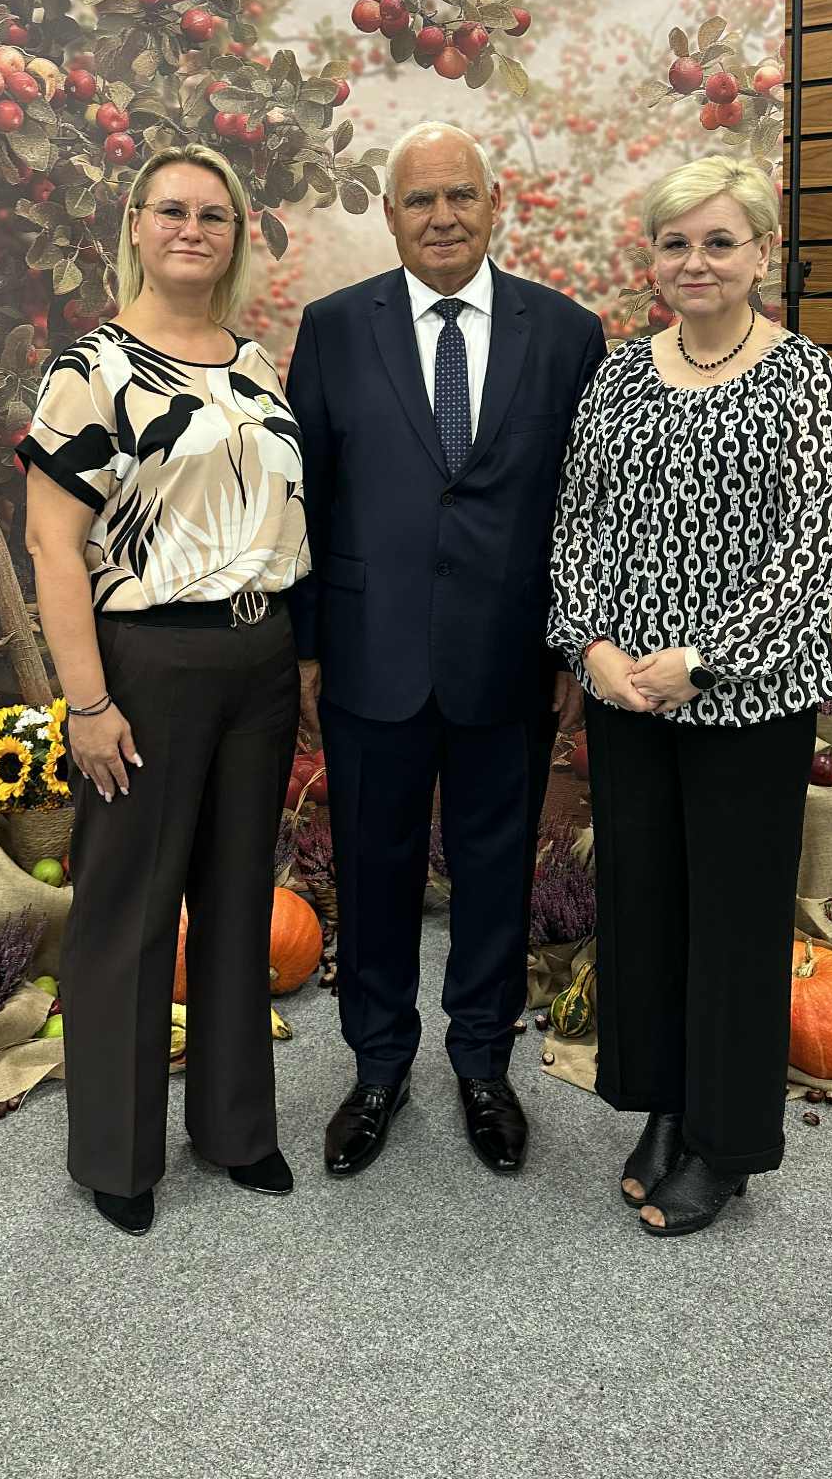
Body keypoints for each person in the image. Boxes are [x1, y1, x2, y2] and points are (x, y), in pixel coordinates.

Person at [287, 122, 606, 1178]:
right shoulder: (335, 327)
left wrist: (572, 646)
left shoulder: (567, 333)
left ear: (495, 202)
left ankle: (483, 1065)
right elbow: (307, 496)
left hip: (508, 657)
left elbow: (585, 509)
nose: (442, 217)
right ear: (389, 214)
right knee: (372, 869)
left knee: (495, 871)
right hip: (368, 649)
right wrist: (306, 645)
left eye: (460, 195)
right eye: (419, 199)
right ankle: (377, 1065)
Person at [547, 157, 832, 1238]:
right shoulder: (620, 376)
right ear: (654, 257)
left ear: (762, 253)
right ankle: (666, 1106)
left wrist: (704, 659)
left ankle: (724, 1143)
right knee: (646, 910)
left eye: (720, 241)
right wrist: (592, 645)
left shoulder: (803, 376)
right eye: (676, 242)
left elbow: (814, 547)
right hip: (628, 699)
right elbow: (578, 519)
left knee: (732, 922)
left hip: (747, 704)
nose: (697, 262)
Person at [19, 145, 308, 1237]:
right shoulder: (90, 369)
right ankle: (118, 1151)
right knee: (129, 910)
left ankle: (235, 1128)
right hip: (148, 662)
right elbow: (53, 545)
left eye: (215, 214)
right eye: (173, 210)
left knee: (238, 898)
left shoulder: (256, 360)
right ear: (136, 224)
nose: (194, 229)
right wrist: (88, 704)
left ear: (235, 236)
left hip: (258, 657)